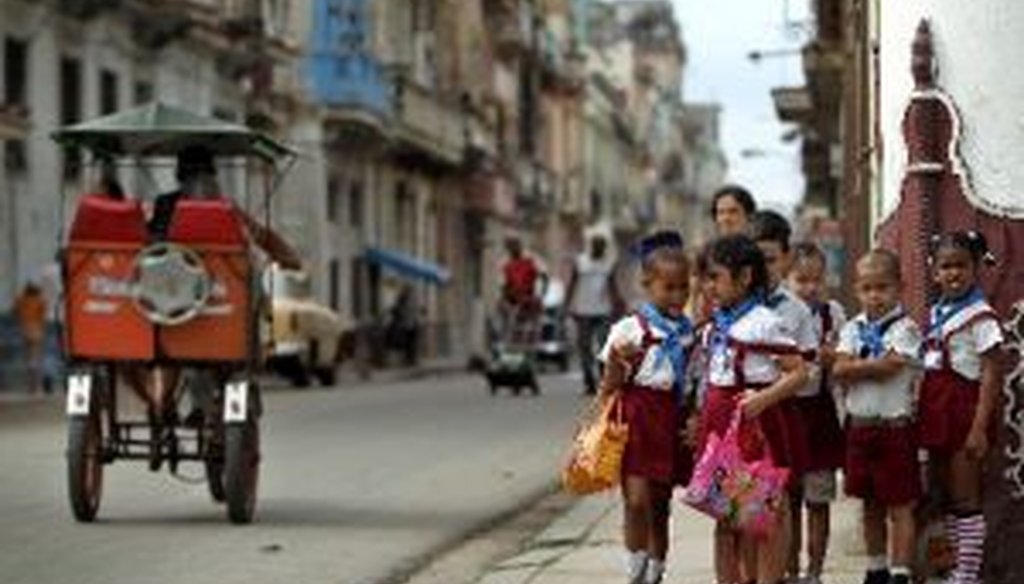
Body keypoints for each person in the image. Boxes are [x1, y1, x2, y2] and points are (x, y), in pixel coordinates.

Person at [697, 234, 809, 584]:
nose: (708, 286)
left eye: (715, 277)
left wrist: (762, 400)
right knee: (727, 517)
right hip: (720, 427)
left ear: (745, 277)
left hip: (755, 429)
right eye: (705, 278)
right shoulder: (717, 322)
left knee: (764, 516)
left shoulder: (763, 322)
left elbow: (799, 373)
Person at [598, 230, 696, 584]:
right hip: (637, 417)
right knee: (635, 500)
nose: (677, 296)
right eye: (668, 288)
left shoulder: (689, 334)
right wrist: (615, 360)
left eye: (683, 288)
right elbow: (609, 386)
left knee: (659, 503)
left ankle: (657, 570)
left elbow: (693, 384)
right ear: (647, 285)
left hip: (671, 418)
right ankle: (635, 569)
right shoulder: (629, 329)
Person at [917, 231, 1003, 584]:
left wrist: (979, 428)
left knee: (965, 497)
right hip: (936, 412)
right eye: (945, 266)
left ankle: (967, 575)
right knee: (941, 496)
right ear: (934, 272)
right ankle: (948, 570)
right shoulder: (937, 312)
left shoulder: (980, 317)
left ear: (975, 268)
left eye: (961, 266)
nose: (953, 273)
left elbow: (992, 373)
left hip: (964, 414)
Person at [832, 250, 923, 584]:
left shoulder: (906, 327)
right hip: (859, 429)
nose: (875, 295)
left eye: (883, 287)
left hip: (894, 429)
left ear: (899, 287)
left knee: (900, 505)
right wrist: (859, 366)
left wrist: (855, 366)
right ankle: (876, 567)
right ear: (857, 289)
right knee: (869, 504)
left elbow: (891, 367)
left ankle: (900, 571)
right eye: (867, 288)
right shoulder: (853, 328)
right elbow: (838, 370)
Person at [787, 242, 848, 584]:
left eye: (817, 280)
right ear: (787, 279)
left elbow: (844, 355)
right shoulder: (780, 314)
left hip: (821, 415)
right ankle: (790, 569)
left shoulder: (833, 313)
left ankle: (815, 571)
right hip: (790, 413)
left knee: (819, 499)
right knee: (790, 500)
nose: (810, 288)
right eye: (801, 280)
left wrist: (834, 358)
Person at [566, 232, 623, 395]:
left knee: (604, 344)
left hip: (603, 310)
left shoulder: (609, 263)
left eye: (602, 246)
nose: (599, 249)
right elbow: (572, 283)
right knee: (584, 346)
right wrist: (568, 304)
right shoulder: (580, 262)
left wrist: (618, 303)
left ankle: (603, 379)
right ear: (591, 246)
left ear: (604, 248)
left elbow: (613, 286)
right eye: (596, 245)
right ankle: (588, 380)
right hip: (582, 310)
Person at [14, 282, 47, 393]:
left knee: (28, 357)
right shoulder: (39, 300)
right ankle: (36, 385)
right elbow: (43, 314)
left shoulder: (22, 299)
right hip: (37, 330)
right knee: (36, 357)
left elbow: (15, 311)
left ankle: (31, 384)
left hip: (25, 330)